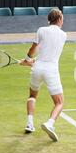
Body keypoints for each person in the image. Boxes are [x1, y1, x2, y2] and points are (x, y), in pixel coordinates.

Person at [22, 9, 67, 142]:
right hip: (51, 70)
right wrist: (30, 61)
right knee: (59, 102)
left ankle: (29, 123)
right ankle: (50, 124)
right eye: (62, 19)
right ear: (59, 20)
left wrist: (27, 59)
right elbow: (50, 55)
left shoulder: (41, 30)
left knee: (32, 96)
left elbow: (33, 50)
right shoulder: (64, 35)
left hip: (38, 68)